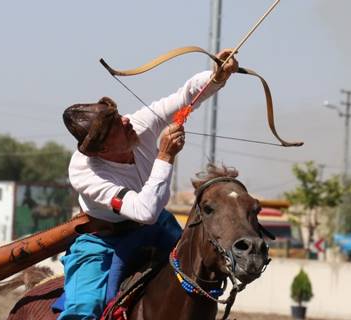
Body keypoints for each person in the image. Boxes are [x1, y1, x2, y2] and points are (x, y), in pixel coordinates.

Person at [59, 49, 238, 319]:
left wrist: (216, 76)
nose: (126, 121)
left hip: (156, 226)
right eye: (116, 125)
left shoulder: (136, 124)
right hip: (104, 239)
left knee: (202, 275)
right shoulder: (85, 172)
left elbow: (184, 97)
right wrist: (165, 156)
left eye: (118, 115)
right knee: (82, 311)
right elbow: (145, 211)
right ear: (101, 148)